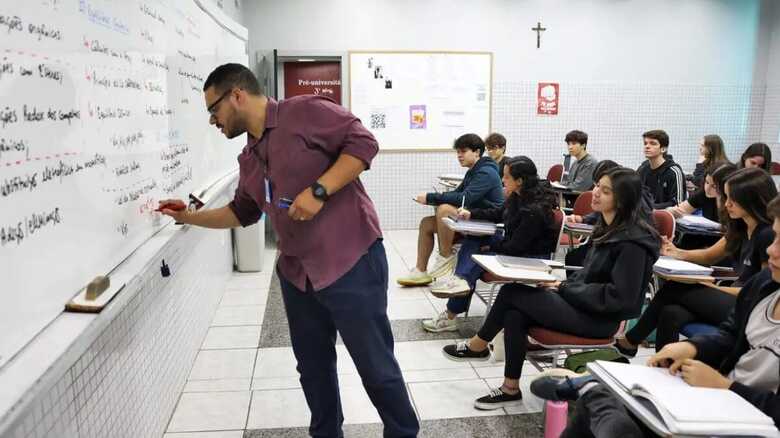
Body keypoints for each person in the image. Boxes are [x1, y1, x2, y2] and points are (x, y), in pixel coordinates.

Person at [158, 63, 419, 438]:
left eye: (213, 109)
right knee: (313, 369)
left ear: (237, 95)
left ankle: (403, 433)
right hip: (298, 276)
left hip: (350, 261)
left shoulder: (306, 112)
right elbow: (241, 212)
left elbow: (364, 144)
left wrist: (319, 191)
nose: (213, 120)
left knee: (375, 366)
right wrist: (189, 216)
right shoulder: (248, 157)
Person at [530, 194, 780, 437]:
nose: (771, 250)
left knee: (602, 404)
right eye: (775, 237)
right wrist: (692, 348)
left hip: (749, 413)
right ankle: (601, 392)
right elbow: (730, 335)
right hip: (722, 401)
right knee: (620, 392)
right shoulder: (764, 286)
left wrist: (726, 386)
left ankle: (598, 391)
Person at [440, 167, 660, 410]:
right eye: (597, 186)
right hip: (583, 304)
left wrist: (565, 288)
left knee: (513, 292)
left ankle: (479, 344)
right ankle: (509, 388)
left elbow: (621, 299)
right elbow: (588, 277)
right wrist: (560, 286)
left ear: (623, 199)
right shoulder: (608, 229)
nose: (595, 193)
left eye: (605, 191)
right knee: (514, 313)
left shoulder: (632, 243)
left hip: (601, 319)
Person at [617, 167, 777, 353]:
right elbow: (709, 255)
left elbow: (762, 292)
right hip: (733, 298)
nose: (727, 204)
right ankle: (663, 367)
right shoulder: (740, 227)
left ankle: (630, 340)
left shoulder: (767, 235)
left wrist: (710, 287)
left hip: (750, 307)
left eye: (733, 199)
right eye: (726, 197)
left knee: (674, 288)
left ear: (752, 200)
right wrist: (676, 252)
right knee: (671, 312)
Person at [422, 156, 558, 332]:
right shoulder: (518, 196)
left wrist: (490, 248)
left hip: (530, 256)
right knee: (474, 238)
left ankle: (453, 306)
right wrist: (471, 214)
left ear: (519, 181)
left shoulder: (535, 210)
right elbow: (499, 213)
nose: (502, 180)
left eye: (506, 177)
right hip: (515, 245)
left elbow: (516, 247)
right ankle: (460, 282)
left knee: (477, 257)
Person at [397, 134, 504, 286]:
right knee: (426, 223)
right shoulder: (474, 170)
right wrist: (432, 199)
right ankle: (421, 271)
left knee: (445, 209)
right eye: (458, 152)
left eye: (463, 151)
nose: (459, 156)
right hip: (473, 216)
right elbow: (458, 193)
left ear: (477, 152)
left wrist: (431, 197)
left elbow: (464, 198)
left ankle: (445, 256)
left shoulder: (486, 172)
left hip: (488, 221)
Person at [667, 161, 735, 223]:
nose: (707, 188)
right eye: (707, 182)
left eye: (714, 186)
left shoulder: (734, 201)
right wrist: (670, 211)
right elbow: (680, 209)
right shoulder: (703, 194)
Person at [637, 129, 686, 209]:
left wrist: (650, 207)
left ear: (663, 149)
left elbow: (678, 203)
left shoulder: (674, 171)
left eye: (653, 143)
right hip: (645, 214)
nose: (647, 146)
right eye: (645, 143)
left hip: (666, 216)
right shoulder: (642, 169)